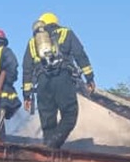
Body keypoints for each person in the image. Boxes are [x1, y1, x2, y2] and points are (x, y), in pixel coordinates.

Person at [21, 12, 95, 149]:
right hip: (63, 79)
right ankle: (52, 145)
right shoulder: (66, 33)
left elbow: (27, 69)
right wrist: (89, 77)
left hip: (42, 84)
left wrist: (27, 95)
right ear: (56, 22)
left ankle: (49, 152)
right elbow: (80, 55)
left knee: (48, 123)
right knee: (69, 115)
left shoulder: (32, 43)